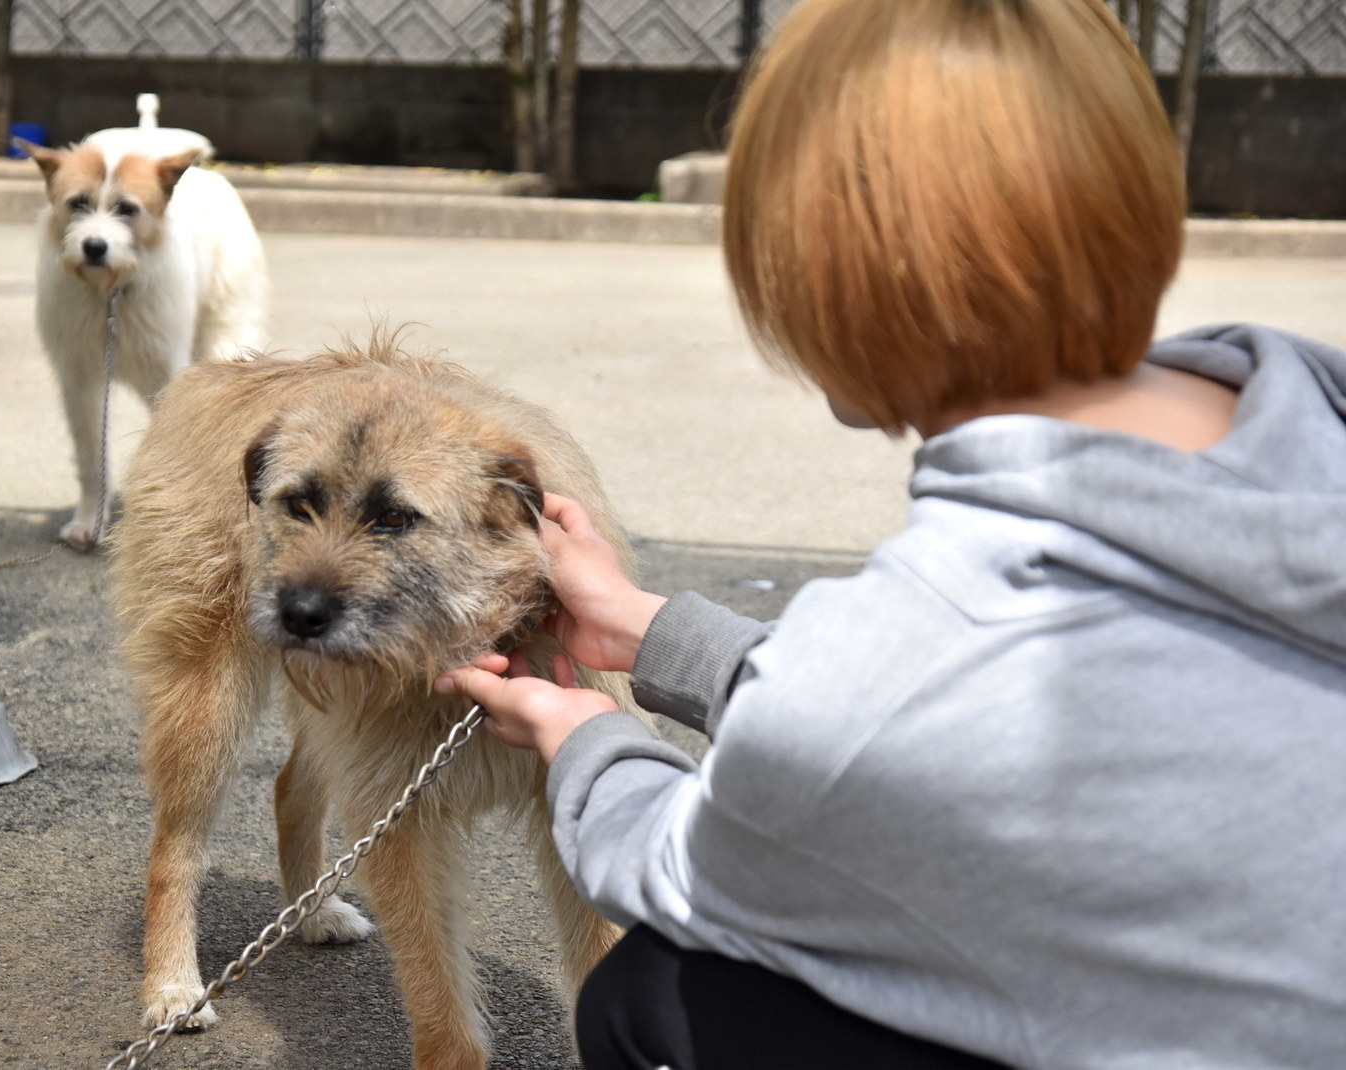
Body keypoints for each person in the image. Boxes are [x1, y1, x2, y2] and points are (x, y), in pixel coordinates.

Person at [435, 0, 1346, 1068]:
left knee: (655, 995)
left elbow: (692, 856)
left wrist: (578, 733)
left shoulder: (907, 649)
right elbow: (921, 720)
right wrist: (650, 628)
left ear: (820, 286)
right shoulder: (1313, 408)